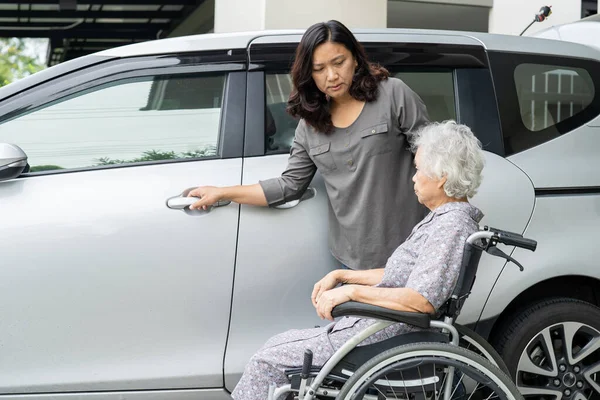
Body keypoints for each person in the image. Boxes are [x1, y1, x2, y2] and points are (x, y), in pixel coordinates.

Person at [231, 120, 486, 399]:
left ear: (442, 176)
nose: (413, 177)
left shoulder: (451, 226)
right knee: (276, 346)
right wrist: (343, 276)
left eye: (418, 169)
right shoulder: (442, 220)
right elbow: (397, 276)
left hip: (387, 337)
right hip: (380, 331)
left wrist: (351, 293)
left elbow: (421, 300)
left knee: (267, 362)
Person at [186, 20, 430, 270]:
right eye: (319, 68)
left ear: (356, 59)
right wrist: (222, 192)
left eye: (339, 62)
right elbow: (289, 186)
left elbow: (433, 158)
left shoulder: (393, 94)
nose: (332, 76)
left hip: (410, 252)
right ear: (309, 74)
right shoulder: (309, 125)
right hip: (352, 261)